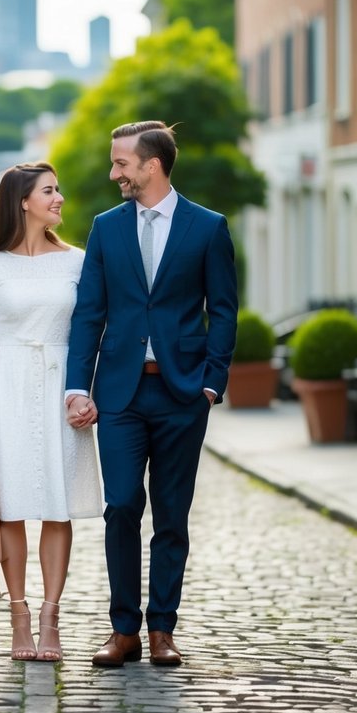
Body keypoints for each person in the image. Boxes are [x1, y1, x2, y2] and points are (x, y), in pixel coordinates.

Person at [64, 121, 237, 668]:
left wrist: (212, 382)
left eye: (121, 163)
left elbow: (225, 310)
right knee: (121, 506)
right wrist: (76, 386)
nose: (114, 172)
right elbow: (89, 312)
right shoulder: (106, 228)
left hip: (183, 392)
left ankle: (162, 629)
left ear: (152, 165)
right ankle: (124, 631)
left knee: (171, 515)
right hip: (119, 394)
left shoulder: (208, 228)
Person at [0, 162, 103, 662]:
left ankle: (51, 619)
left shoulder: (78, 262)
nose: (60, 197)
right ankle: (19, 618)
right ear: (23, 201)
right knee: (13, 507)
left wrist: (87, 392)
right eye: (49, 190)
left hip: (60, 388)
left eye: (59, 188)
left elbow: (91, 333)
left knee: (57, 506)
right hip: (7, 391)